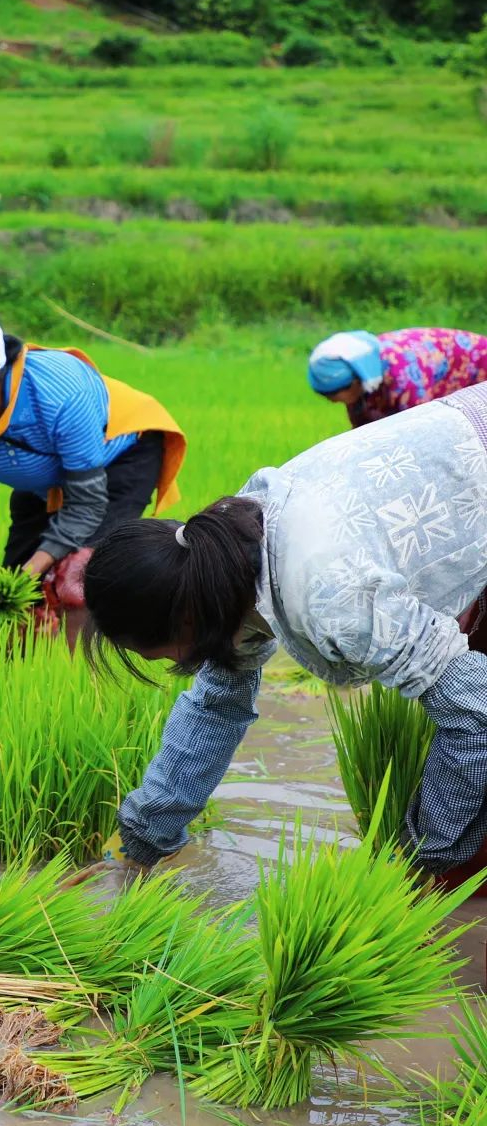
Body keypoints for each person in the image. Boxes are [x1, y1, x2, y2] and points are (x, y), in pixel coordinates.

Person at [78, 379, 487, 885]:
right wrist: (135, 848)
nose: (166, 663)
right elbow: (215, 707)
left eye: (155, 650)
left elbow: (478, 709)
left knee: (464, 743)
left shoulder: (328, 595)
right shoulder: (230, 554)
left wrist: (416, 863)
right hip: (465, 467)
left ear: (184, 619)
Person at [0, 308, 186, 641]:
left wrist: (32, 574)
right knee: (16, 603)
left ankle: (84, 682)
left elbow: (85, 504)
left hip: (120, 456)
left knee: (78, 577)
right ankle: (16, 680)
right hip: (42, 475)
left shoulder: (62, 396)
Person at [308, 327, 487, 427]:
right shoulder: (366, 375)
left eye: (332, 395)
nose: (330, 401)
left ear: (356, 382)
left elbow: (424, 429)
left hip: (476, 365)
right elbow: (362, 431)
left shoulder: (404, 379)